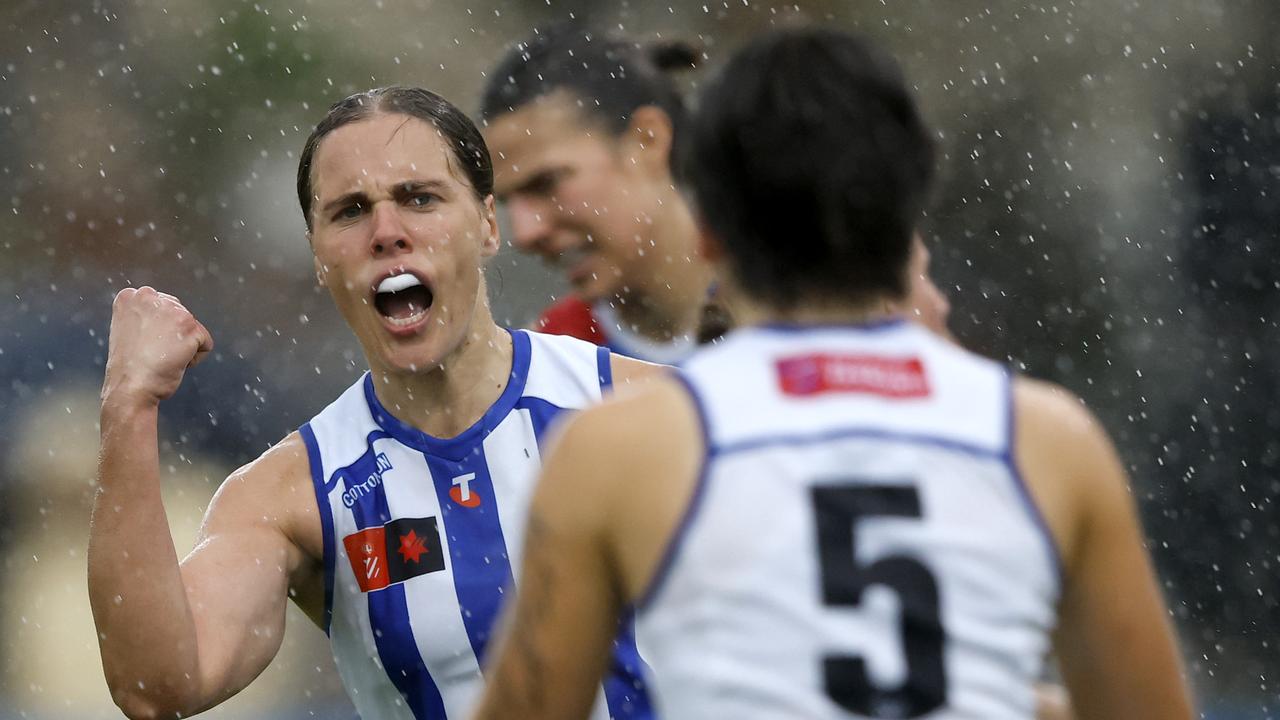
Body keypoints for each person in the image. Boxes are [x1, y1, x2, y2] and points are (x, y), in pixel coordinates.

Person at [472, 28, 1193, 720]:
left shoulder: (611, 448)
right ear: (909, 209)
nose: (528, 229)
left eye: (547, 184)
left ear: (708, 227)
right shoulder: (1050, 441)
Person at [89, 86, 659, 720]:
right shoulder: (290, 496)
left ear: (489, 224)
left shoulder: (654, 410)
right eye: (351, 210)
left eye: (419, 198)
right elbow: (158, 685)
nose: (388, 232)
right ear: (318, 257)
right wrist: (127, 408)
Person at [480, 25, 952, 360]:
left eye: (546, 184)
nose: (524, 231)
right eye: (508, 203)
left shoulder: (845, 299)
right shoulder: (547, 364)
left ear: (648, 140)